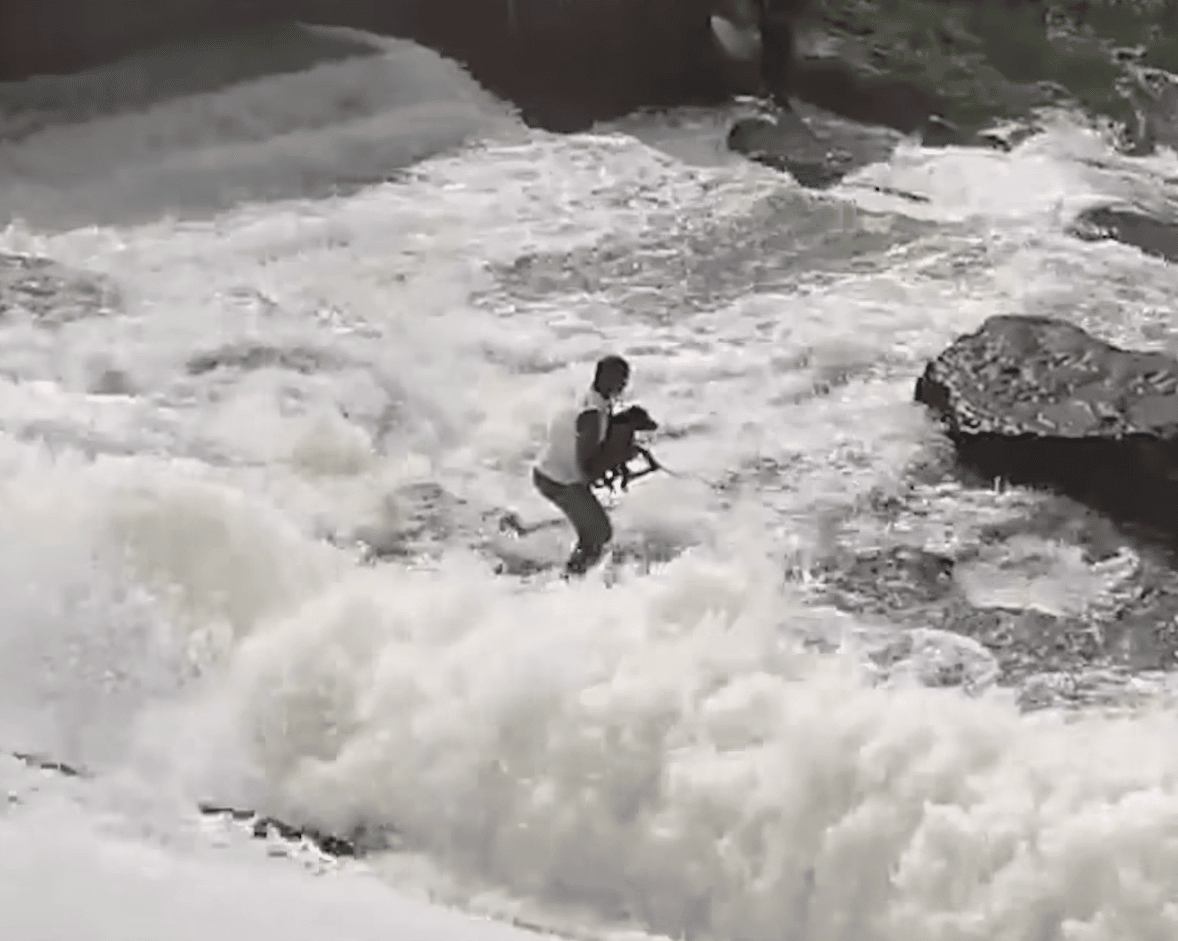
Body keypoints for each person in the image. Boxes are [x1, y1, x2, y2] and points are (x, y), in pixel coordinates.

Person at [533, 355, 634, 577]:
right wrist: (619, 456)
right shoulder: (592, 415)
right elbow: (586, 470)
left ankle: (572, 573)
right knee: (598, 534)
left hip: (548, 469)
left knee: (593, 526)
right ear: (607, 379)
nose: (624, 385)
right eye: (622, 379)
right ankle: (568, 580)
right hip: (558, 480)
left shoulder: (592, 398)